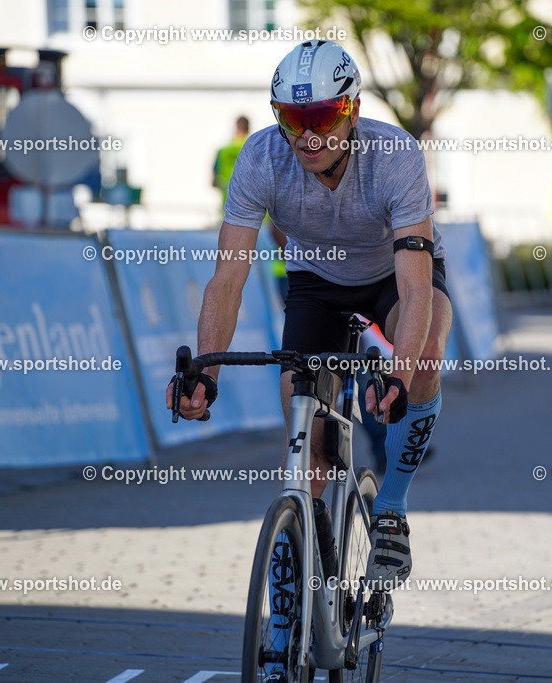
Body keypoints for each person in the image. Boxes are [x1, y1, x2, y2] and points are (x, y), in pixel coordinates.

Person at [168, 40, 451, 595]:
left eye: (323, 117)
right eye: (293, 119)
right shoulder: (260, 157)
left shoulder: (395, 155)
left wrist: (399, 373)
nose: (307, 135)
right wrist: (206, 372)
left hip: (391, 277)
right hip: (316, 284)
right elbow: (227, 280)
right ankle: (291, 593)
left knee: (424, 357)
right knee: (305, 438)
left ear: (353, 110)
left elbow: (416, 290)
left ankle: (391, 510)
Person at [211, 115, 250, 206]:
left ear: (236, 127)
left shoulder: (222, 151)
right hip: (252, 205)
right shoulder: (256, 150)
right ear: (248, 128)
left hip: (228, 203)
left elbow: (214, 181)